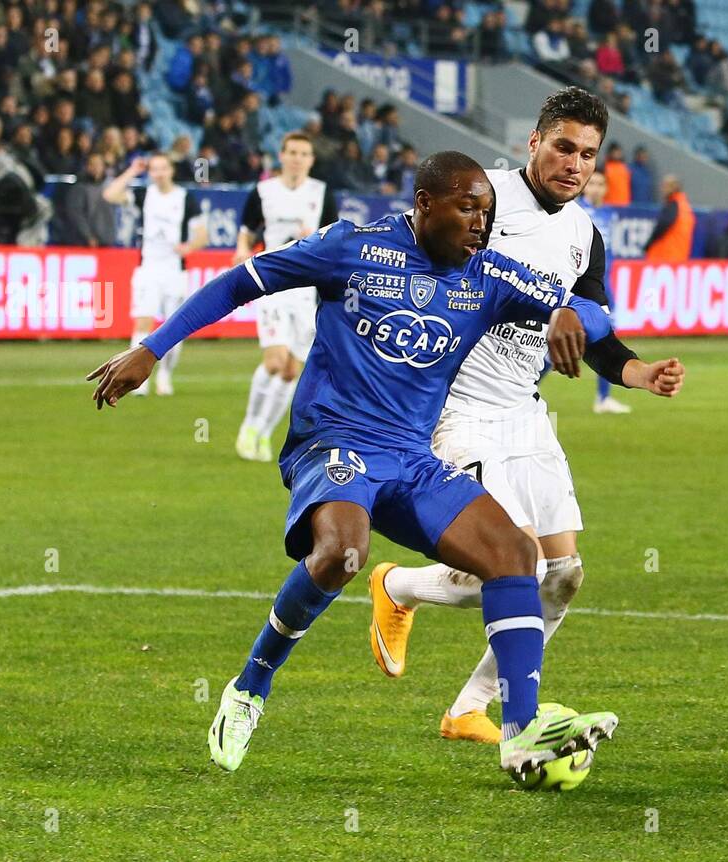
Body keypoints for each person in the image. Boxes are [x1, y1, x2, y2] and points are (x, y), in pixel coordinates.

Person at [86, 151, 680, 777]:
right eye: (467, 209)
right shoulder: (352, 249)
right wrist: (151, 348)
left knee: (514, 554)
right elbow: (241, 281)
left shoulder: (488, 276)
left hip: (411, 458)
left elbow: (589, 312)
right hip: (334, 441)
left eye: (487, 211)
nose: (481, 224)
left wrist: (566, 312)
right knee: (344, 551)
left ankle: (520, 732)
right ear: (424, 205)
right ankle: (250, 687)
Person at [368, 91, 686, 744]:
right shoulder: (481, 197)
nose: (575, 163)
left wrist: (638, 372)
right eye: (563, 146)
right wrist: (550, 307)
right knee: (519, 564)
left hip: (525, 413)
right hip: (456, 409)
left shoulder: (584, 235)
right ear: (533, 142)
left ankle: (466, 704)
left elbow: (593, 329)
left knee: (564, 575)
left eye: (589, 154)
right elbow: (431, 264)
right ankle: (516, 719)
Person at [233, 132, 338, 462]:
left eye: (303, 153)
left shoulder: (321, 194)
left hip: (306, 292)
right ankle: (249, 426)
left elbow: (335, 240)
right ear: (282, 155)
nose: (297, 158)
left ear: (310, 159)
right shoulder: (264, 191)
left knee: (291, 370)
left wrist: (317, 239)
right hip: (272, 285)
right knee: (274, 361)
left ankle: (263, 433)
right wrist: (241, 251)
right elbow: (248, 229)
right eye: (291, 152)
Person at [102, 152, 208, 397]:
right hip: (148, 268)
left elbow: (203, 235)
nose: (158, 173)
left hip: (174, 271)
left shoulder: (185, 198)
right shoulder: (144, 195)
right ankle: (136, 380)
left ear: (171, 170)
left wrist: (189, 247)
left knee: (176, 327)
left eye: (163, 168)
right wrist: (131, 172)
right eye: (154, 169)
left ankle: (165, 375)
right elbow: (110, 195)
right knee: (142, 322)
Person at [579, 167, 631, 415]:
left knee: (607, 335)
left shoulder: (610, 214)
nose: (597, 189)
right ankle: (526, 388)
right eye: (593, 184)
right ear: (585, 186)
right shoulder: (575, 211)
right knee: (549, 348)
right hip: (581, 284)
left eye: (601, 184)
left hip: (605, 283)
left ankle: (603, 397)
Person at [644, 174, 695, 262]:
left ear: (673, 187)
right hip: (680, 255)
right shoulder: (685, 206)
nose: (662, 189)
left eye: (665, 186)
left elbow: (664, 224)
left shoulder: (673, 205)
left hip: (666, 255)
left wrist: (648, 244)